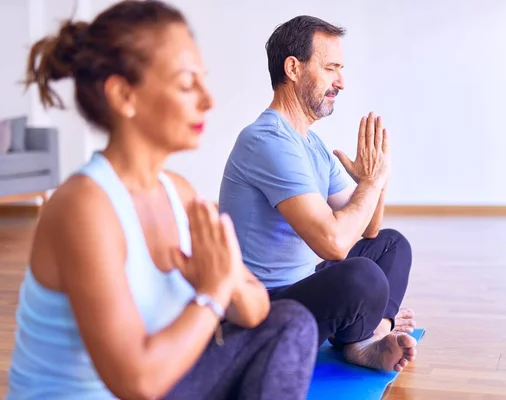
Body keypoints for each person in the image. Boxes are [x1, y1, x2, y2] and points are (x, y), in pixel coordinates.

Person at [7, 2, 318, 399]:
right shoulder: (83, 207)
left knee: (290, 321)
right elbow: (136, 382)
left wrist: (226, 283)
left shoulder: (179, 193)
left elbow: (256, 307)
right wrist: (212, 293)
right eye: (188, 83)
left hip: (161, 383)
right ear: (123, 95)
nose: (208, 100)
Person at [219, 15, 417, 372]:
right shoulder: (268, 141)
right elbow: (334, 244)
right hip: (260, 307)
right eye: (330, 68)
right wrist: (369, 185)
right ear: (293, 68)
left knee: (391, 244)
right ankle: (364, 336)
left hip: (302, 284)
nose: (341, 82)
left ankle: (371, 334)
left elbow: (366, 231)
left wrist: (377, 181)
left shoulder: (310, 144)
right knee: (364, 277)